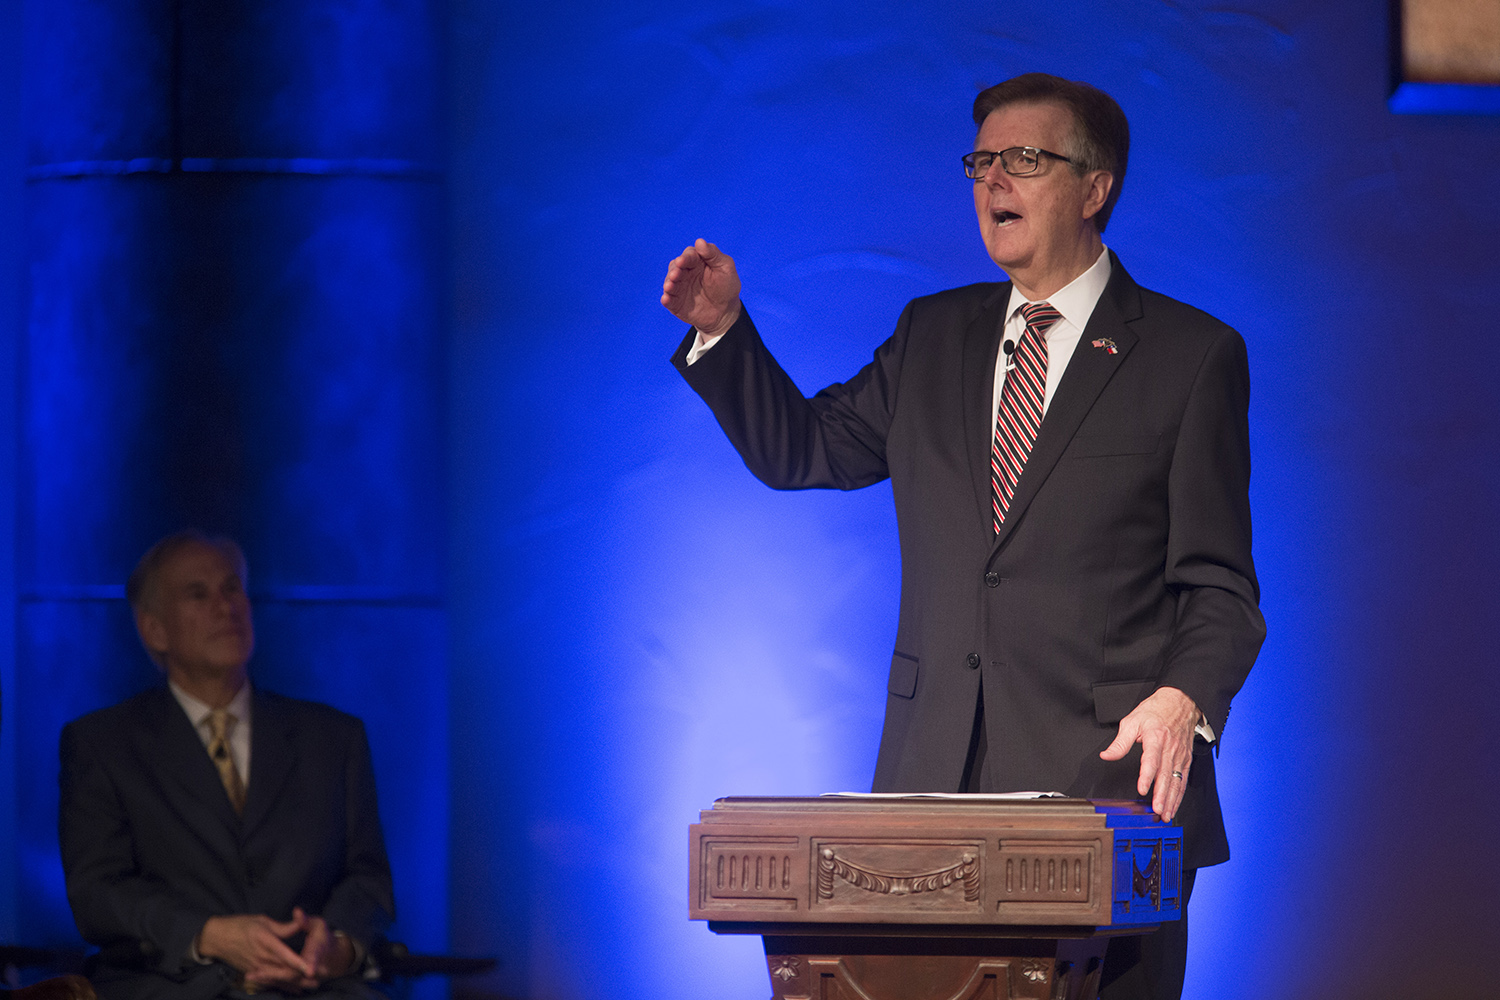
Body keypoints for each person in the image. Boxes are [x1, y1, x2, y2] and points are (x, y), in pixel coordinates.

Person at [660, 73, 1264, 999]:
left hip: (1102, 797)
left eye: (1025, 159)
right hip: (927, 794)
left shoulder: (1190, 357)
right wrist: (727, 332)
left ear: (1095, 187)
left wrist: (1184, 696)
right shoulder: (933, 334)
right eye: (982, 161)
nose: (994, 182)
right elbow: (805, 450)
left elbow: (1220, 587)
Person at [59, 531, 394, 1000]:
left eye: (232, 588)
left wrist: (335, 948)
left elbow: (368, 877)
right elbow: (98, 892)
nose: (225, 607)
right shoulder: (103, 744)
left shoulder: (334, 738)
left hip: (314, 988)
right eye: (198, 594)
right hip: (173, 986)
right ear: (154, 629)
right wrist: (210, 934)